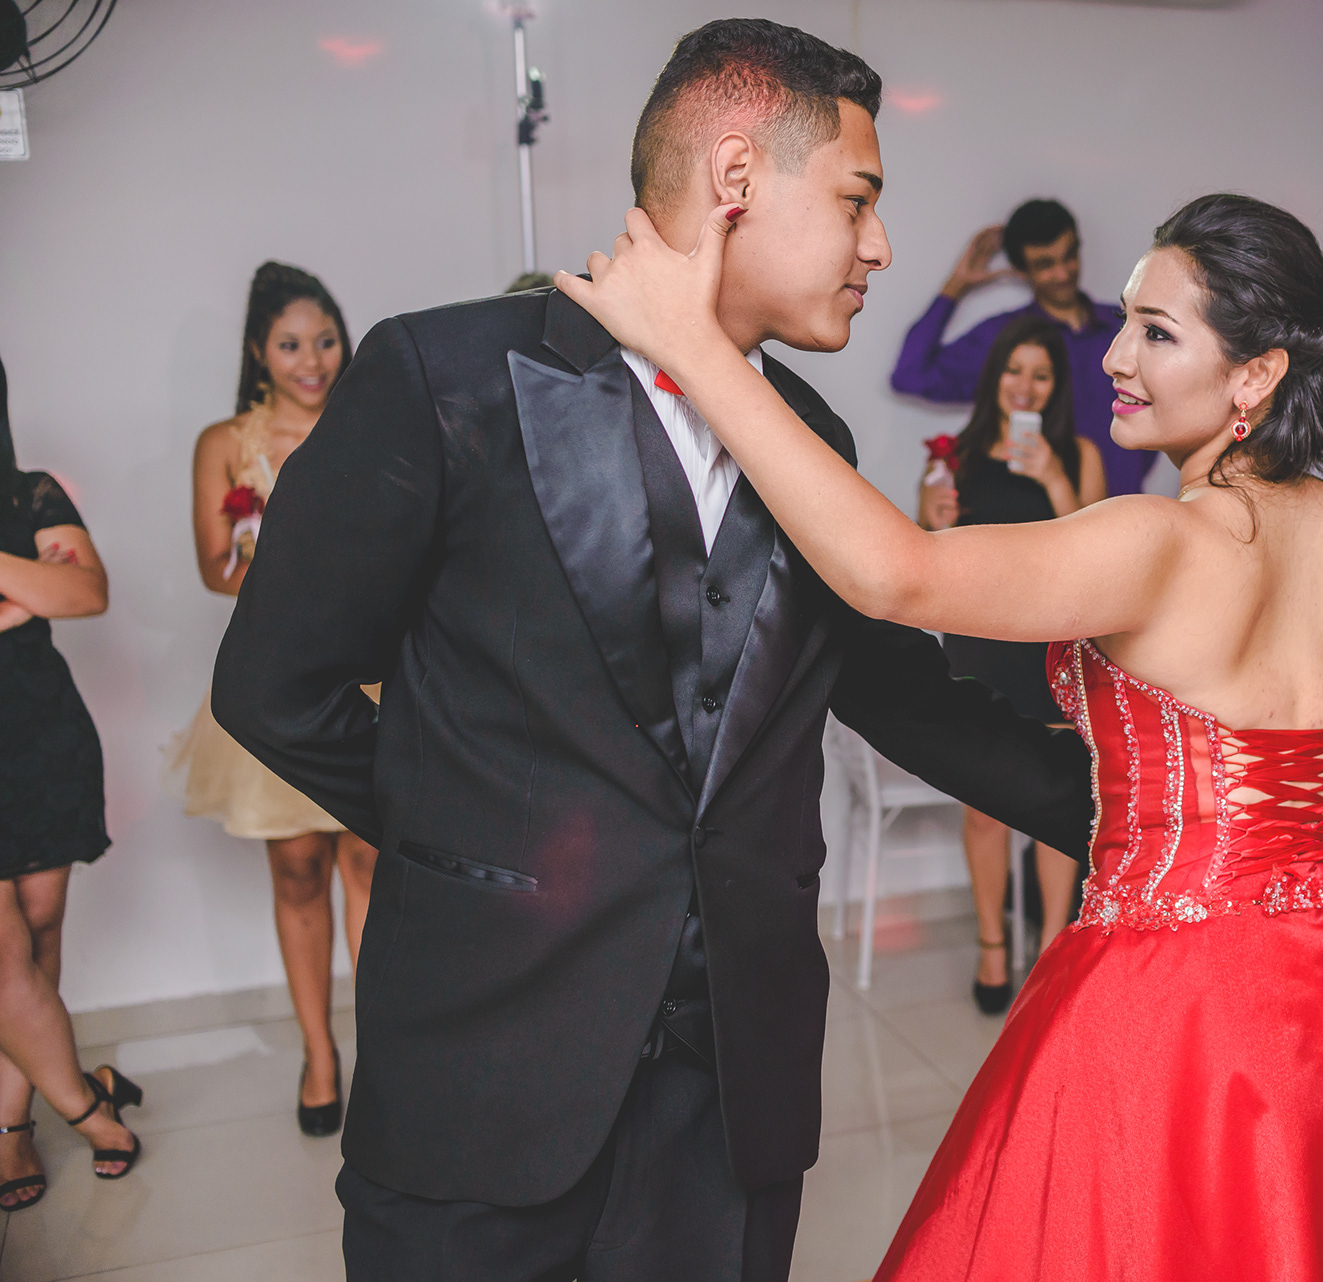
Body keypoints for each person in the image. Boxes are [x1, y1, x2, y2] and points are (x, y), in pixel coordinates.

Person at [565, 189, 1323, 1281]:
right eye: (1123, 326)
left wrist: (694, 348)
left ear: (1254, 375)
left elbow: (894, 573)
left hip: (1174, 982)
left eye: (1155, 332)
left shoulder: (1158, 541)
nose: (1114, 359)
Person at [212, 21, 1090, 1282]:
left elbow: (909, 699)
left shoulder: (813, 442)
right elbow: (273, 685)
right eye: (858, 200)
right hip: (483, 1078)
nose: (881, 247)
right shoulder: (445, 375)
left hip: (729, 1093)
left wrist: (1158, 818)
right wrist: (472, 838)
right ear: (736, 177)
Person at [173, 262, 377, 1139]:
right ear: (259, 350)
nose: (313, 360)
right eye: (291, 344)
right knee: (297, 868)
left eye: (325, 340)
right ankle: (318, 1054)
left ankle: (383, 1052)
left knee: (372, 863)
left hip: (371, 671)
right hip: (277, 681)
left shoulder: (373, 419)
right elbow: (214, 569)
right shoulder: (225, 442)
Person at [916, 315, 1105, 1011]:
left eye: (1042, 375)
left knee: (1056, 806)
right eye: (1015, 371)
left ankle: (1054, 947)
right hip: (977, 648)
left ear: (1056, 387)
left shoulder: (1077, 454)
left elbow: (1097, 562)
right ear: (995, 377)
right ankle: (992, 945)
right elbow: (929, 563)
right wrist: (932, 521)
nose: (1026, 386)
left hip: (1052, 652)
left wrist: (1054, 479)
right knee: (985, 813)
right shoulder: (956, 456)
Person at [0, 356, 143, 1208]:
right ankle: (87, 1109)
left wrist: (28, 584)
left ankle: (12, 1121)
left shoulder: (31, 495)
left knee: (40, 930)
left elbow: (86, 591)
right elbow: (52, 588)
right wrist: (28, 587)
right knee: (2, 952)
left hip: (37, 734)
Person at [891, 199, 1145, 494]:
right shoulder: (1007, 340)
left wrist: (1136, 466)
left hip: (1129, 507)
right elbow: (910, 374)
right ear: (1021, 270)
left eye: (1069, 256)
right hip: (1040, 513)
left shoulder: (1126, 324)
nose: (1063, 273)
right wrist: (956, 285)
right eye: (1045, 264)